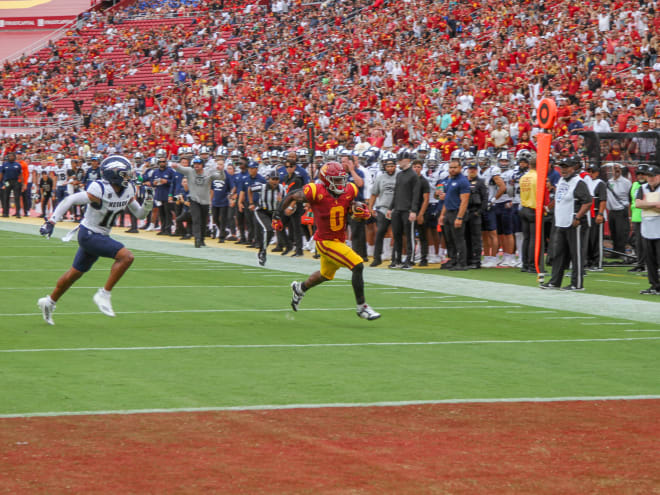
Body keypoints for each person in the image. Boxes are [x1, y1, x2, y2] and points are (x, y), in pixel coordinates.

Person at [37, 155, 154, 325]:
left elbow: (140, 214)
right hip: (88, 234)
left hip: (100, 235)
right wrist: (51, 221)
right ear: (114, 174)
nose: (129, 177)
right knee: (126, 257)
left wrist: (149, 202)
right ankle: (104, 294)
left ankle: (49, 302)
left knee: (73, 274)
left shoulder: (128, 190)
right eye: (125, 174)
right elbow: (71, 199)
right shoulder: (99, 188)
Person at [279, 161, 380, 320]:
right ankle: (362, 307)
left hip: (339, 240)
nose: (341, 183)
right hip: (325, 241)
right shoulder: (315, 191)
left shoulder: (350, 189)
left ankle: (300, 288)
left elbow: (350, 205)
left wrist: (359, 210)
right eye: (337, 180)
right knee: (357, 265)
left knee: (325, 275)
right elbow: (291, 195)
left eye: (342, 179)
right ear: (326, 180)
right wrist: (279, 215)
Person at [540, 156, 592, 291]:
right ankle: (555, 281)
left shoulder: (578, 182)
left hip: (574, 223)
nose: (563, 170)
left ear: (573, 168)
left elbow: (587, 201)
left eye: (566, 167)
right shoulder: (562, 180)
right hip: (561, 222)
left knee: (576, 254)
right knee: (559, 254)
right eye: (562, 167)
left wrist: (578, 217)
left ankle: (577, 283)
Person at [171, 156, 225, 248]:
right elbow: (180, 168)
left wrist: (221, 170)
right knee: (196, 219)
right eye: (195, 164)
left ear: (202, 165)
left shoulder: (208, 172)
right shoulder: (190, 171)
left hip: (205, 200)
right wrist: (175, 165)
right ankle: (197, 239)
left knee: (203, 220)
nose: (196, 166)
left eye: (198, 164)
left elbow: (221, 178)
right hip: (194, 199)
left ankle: (202, 238)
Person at [388, 148, 421, 269]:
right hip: (397, 208)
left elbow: (415, 194)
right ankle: (397, 259)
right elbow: (396, 192)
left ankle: (409, 260)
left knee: (409, 235)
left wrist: (413, 210)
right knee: (397, 235)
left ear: (407, 160)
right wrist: (390, 208)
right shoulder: (399, 175)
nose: (399, 162)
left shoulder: (413, 175)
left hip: (407, 209)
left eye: (401, 160)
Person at [439, 157, 471, 270]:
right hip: (448, 211)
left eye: (455, 167)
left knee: (458, 239)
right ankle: (453, 260)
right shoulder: (449, 180)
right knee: (449, 239)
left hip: (457, 212)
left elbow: (465, 200)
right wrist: (442, 215)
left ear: (460, 168)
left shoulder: (462, 181)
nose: (452, 170)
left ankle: (462, 263)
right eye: (450, 167)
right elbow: (446, 199)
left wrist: (459, 217)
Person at [634, 164, 660, 294]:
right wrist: (654, 204)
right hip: (647, 229)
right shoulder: (642, 187)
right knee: (650, 261)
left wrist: (646, 205)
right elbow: (638, 204)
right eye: (648, 176)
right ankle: (654, 285)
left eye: (653, 176)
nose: (650, 178)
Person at [254, 170, 286, 266]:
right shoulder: (262, 187)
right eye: (273, 179)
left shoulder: (281, 189)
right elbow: (249, 189)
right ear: (269, 179)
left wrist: (283, 203)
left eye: (277, 179)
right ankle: (263, 252)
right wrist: (251, 203)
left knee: (271, 232)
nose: (275, 181)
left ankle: (261, 251)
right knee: (268, 229)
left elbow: (286, 200)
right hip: (262, 211)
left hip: (273, 212)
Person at [584, 164, 608, 271]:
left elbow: (603, 200)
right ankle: (589, 261)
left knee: (596, 240)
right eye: (589, 171)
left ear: (597, 173)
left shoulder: (600, 184)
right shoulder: (587, 183)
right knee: (589, 239)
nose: (590, 174)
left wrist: (601, 214)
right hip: (589, 214)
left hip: (597, 213)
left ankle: (597, 262)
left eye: (592, 172)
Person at [464, 161, 488, 269]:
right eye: (470, 169)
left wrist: (479, 212)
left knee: (476, 239)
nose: (472, 171)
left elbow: (485, 199)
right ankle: (468, 259)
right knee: (466, 237)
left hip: (475, 212)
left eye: (474, 169)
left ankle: (477, 261)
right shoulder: (464, 181)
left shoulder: (480, 182)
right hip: (466, 212)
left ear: (477, 170)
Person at [605, 163, 632, 258]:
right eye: (614, 169)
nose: (616, 170)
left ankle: (621, 252)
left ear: (621, 170)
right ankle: (615, 252)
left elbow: (630, 197)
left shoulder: (626, 182)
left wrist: (629, 214)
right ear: (612, 170)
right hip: (612, 211)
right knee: (613, 233)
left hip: (621, 210)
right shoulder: (609, 182)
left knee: (621, 233)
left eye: (618, 169)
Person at [628, 164, 648, 273]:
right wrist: (630, 216)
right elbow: (630, 201)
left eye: (642, 174)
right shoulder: (634, 185)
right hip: (637, 218)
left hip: (648, 218)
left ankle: (649, 264)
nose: (640, 176)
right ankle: (640, 264)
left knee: (648, 243)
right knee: (638, 243)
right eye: (638, 174)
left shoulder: (650, 186)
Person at [0, 151, 24, 217]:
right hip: (7, 182)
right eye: (10, 156)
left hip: (15, 181)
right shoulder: (5, 164)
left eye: (12, 156)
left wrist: (23, 183)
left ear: (14, 157)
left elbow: (21, 174)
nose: (11, 157)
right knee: (6, 197)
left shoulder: (18, 164)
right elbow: (1, 174)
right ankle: (5, 213)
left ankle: (18, 213)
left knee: (17, 197)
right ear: (8, 157)